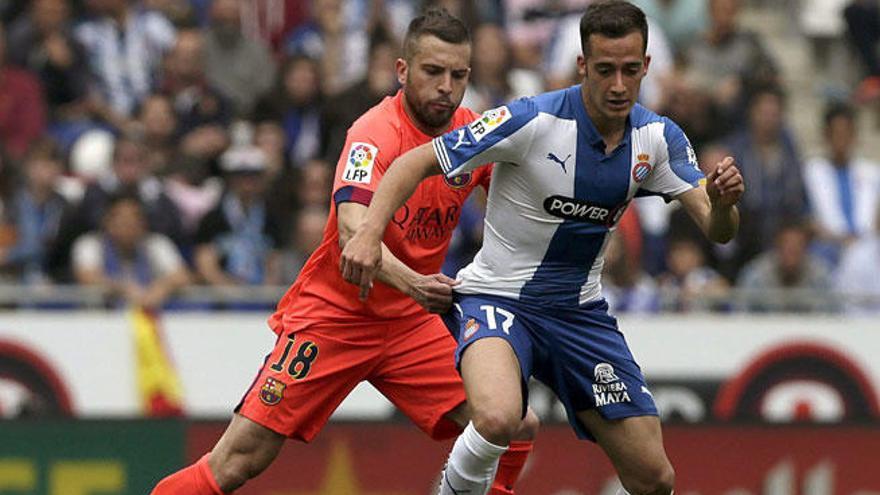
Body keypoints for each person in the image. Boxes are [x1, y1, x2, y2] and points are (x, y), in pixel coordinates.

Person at [341, 2, 744, 494]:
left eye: (629, 70)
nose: (618, 85)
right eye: (604, 70)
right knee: (497, 416)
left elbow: (718, 229)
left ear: (646, 66)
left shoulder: (657, 138)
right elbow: (414, 163)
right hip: (497, 298)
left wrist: (723, 205)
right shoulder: (529, 119)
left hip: (579, 314)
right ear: (581, 66)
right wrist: (367, 232)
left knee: (655, 477)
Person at [151, 9, 537, 495]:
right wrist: (416, 283)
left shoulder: (469, 132)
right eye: (432, 72)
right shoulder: (372, 133)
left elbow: (517, 198)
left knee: (513, 424)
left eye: (458, 75)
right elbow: (356, 230)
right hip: (336, 316)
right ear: (403, 71)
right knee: (236, 462)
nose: (446, 86)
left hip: (410, 323)